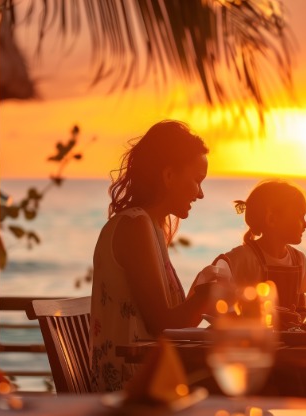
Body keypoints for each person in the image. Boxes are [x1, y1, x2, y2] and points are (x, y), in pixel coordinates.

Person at [90, 120, 228, 392]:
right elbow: (161, 325)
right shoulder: (135, 225)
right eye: (197, 181)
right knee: (271, 380)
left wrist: (201, 292)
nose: (200, 194)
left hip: (149, 374)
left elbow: (165, 322)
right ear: (168, 175)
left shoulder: (150, 225)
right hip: (133, 385)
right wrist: (209, 294)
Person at [213, 179, 306, 326]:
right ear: (272, 218)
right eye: (300, 216)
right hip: (251, 342)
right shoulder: (241, 259)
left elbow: (301, 309)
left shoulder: (299, 259)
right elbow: (220, 307)